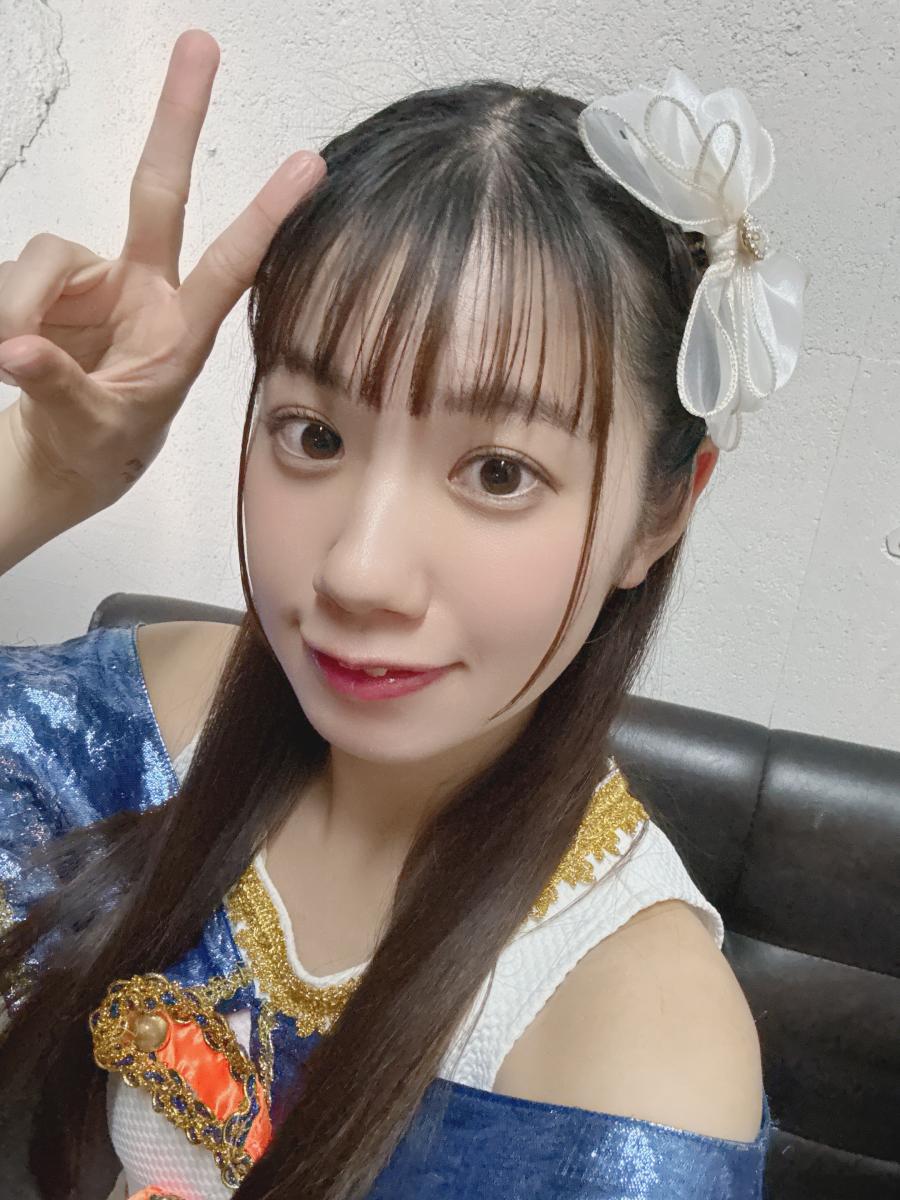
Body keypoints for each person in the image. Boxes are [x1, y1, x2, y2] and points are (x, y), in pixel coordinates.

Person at [0, 29, 807, 1200]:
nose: (361, 572)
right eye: (315, 434)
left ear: (660, 514)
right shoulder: (147, 723)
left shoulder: (632, 1062)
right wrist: (35, 478)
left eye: (498, 472)